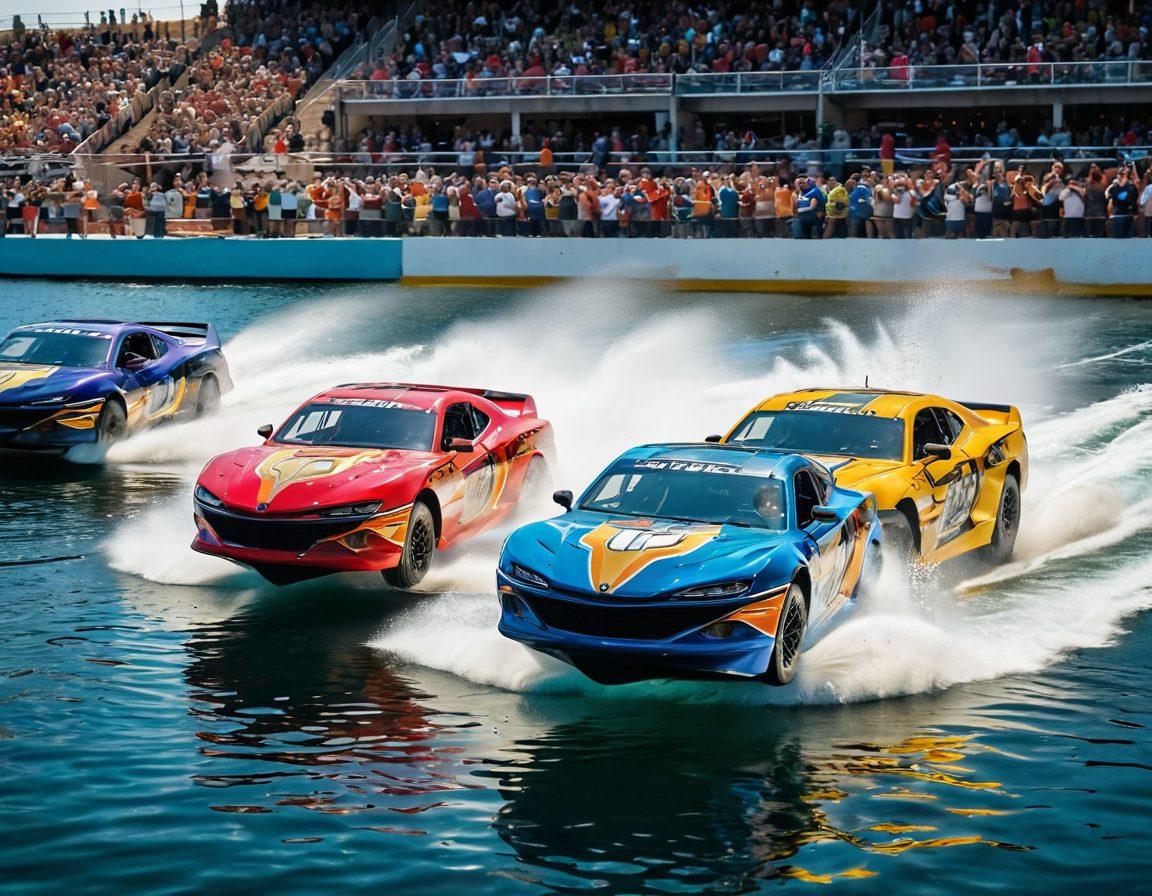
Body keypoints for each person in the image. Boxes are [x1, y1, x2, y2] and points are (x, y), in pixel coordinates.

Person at [1106, 167, 1138, 239]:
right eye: (1120, 174)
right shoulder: (1114, 188)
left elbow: (1134, 202)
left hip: (1128, 216)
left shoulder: (1131, 187)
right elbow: (1113, 203)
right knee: (1119, 239)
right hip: (1118, 216)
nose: (1120, 176)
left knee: (1127, 239)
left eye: (1122, 174)